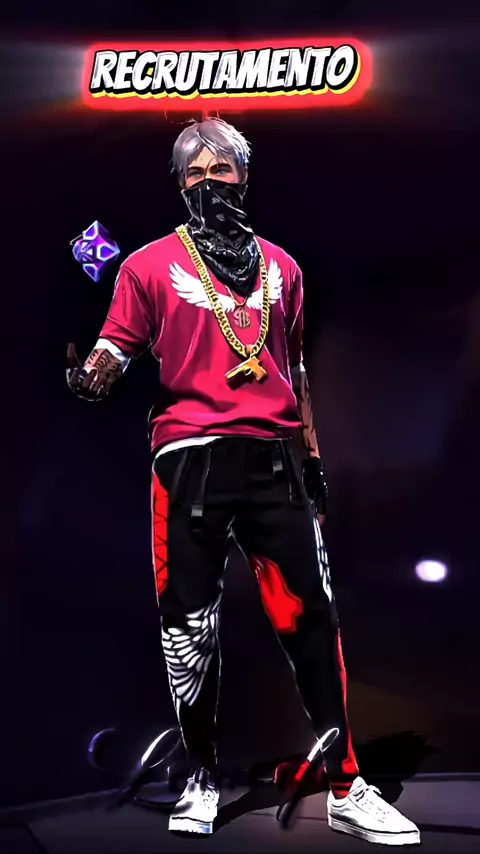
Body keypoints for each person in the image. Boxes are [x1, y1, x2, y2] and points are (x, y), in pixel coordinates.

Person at [66, 118, 420, 845]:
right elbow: (115, 348)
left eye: (220, 169)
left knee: (313, 621)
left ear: (245, 177)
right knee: (189, 632)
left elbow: (297, 373)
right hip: (188, 464)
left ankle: (346, 784)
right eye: (194, 173)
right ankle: (200, 776)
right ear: (178, 184)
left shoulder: (284, 268)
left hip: (275, 464)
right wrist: (92, 374)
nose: (208, 182)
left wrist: (313, 460)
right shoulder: (146, 266)